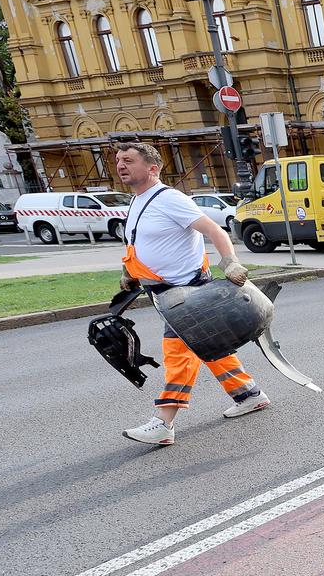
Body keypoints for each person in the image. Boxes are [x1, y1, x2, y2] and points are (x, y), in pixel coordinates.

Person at [114, 141, 267, 447]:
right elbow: (143, 243)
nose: (120, 165)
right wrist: (130, 274)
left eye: (128, 160)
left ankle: (164, 422)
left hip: (187, 294)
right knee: (211, 348)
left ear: (152, 168)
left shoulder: (169, 199)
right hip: (165, 293)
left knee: (179, 354)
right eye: (118, 160)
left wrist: (231, 261)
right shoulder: (138, 201)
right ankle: (249, 395)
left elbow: (215, 230)